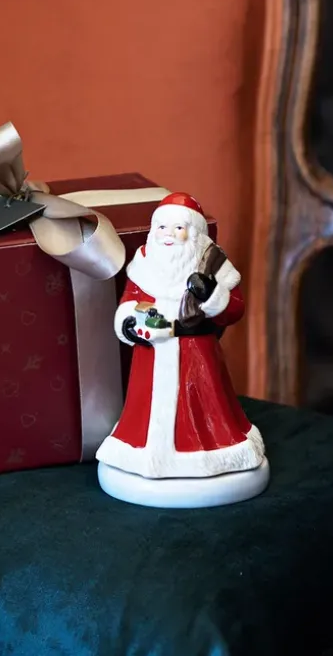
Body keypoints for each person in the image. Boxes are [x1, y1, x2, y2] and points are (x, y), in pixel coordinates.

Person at [95, 192, 266, 480]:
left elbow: (234, 309)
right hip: (152, 352)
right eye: (162, 227)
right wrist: (129, 322)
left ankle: (207, 455)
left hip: (195, 352)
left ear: (195, 232)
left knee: (202, 408)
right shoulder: (145, 261)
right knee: (146, 408)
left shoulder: (213, 264)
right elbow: (131, 298)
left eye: (178, 228)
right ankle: (144, 452)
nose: (169, 235)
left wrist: (211, 294)